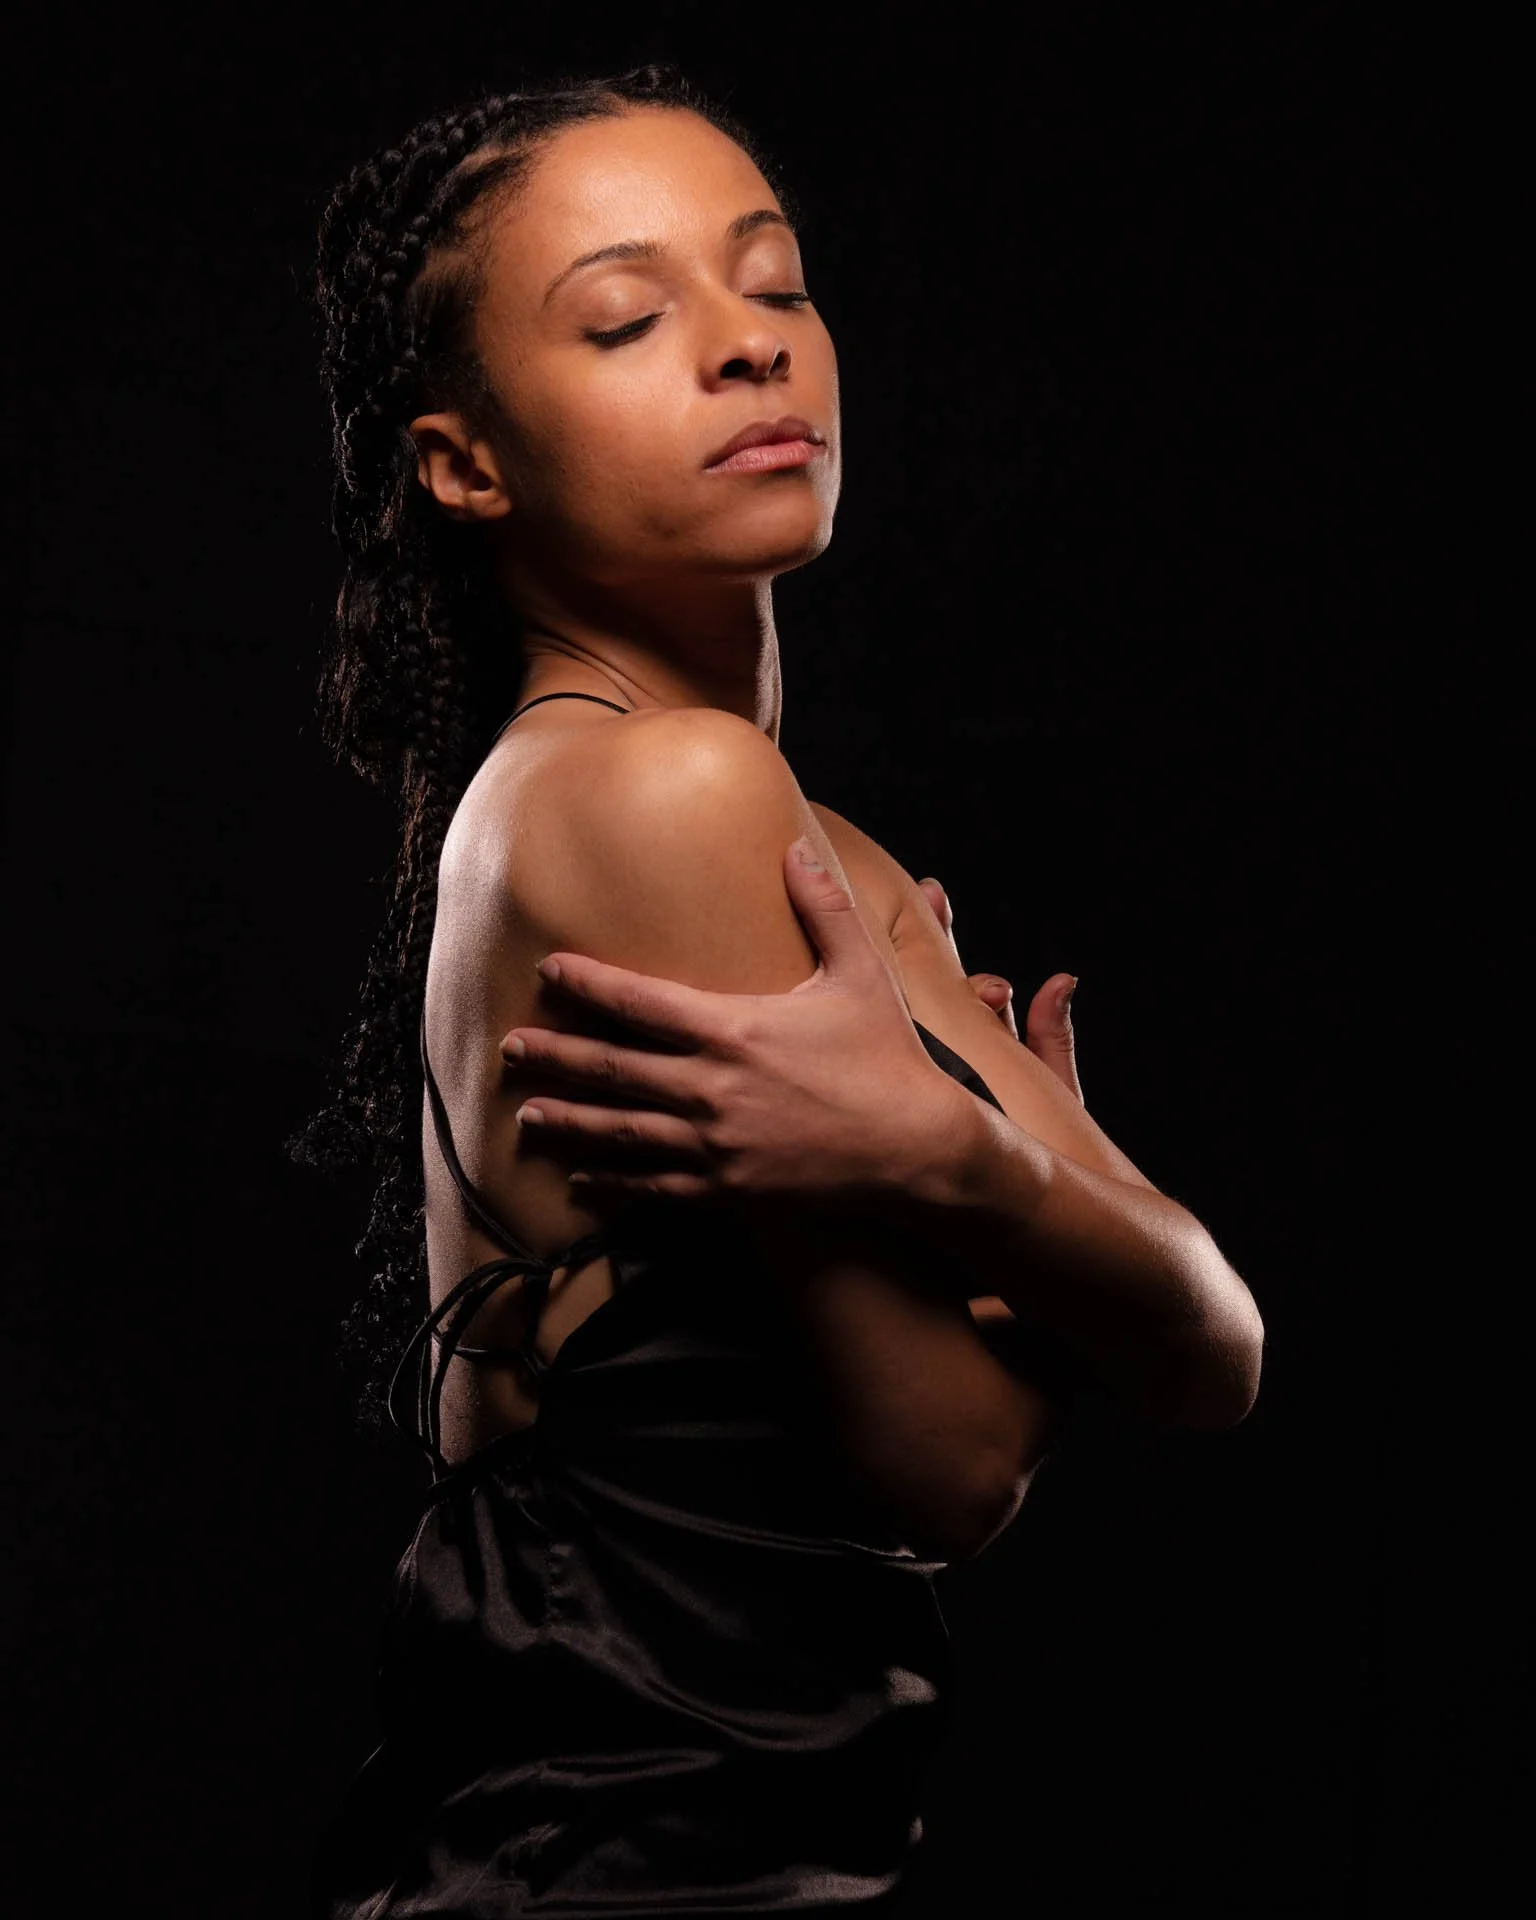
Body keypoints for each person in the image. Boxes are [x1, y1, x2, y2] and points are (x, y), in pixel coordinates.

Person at [294, 65, 1265, 1917]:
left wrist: (970, 1184)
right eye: (625, 317)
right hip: (615, 1871)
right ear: (464, 464)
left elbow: (1218, 1348)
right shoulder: (658, 793)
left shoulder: (812, 845)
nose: (751, 345)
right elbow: (958, 1475)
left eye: (776, 282)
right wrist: (1011, 1186)